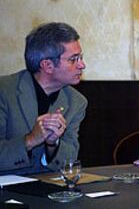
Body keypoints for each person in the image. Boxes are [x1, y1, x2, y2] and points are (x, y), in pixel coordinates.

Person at [0, 22, 87, 174]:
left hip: (50, 189)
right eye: (73, 59)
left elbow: (70, 161)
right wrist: (31, 140)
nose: (82, 65)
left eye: (81, 58)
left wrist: (53, 144)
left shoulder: (76, 102)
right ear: (47, 65)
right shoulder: (4, 91)